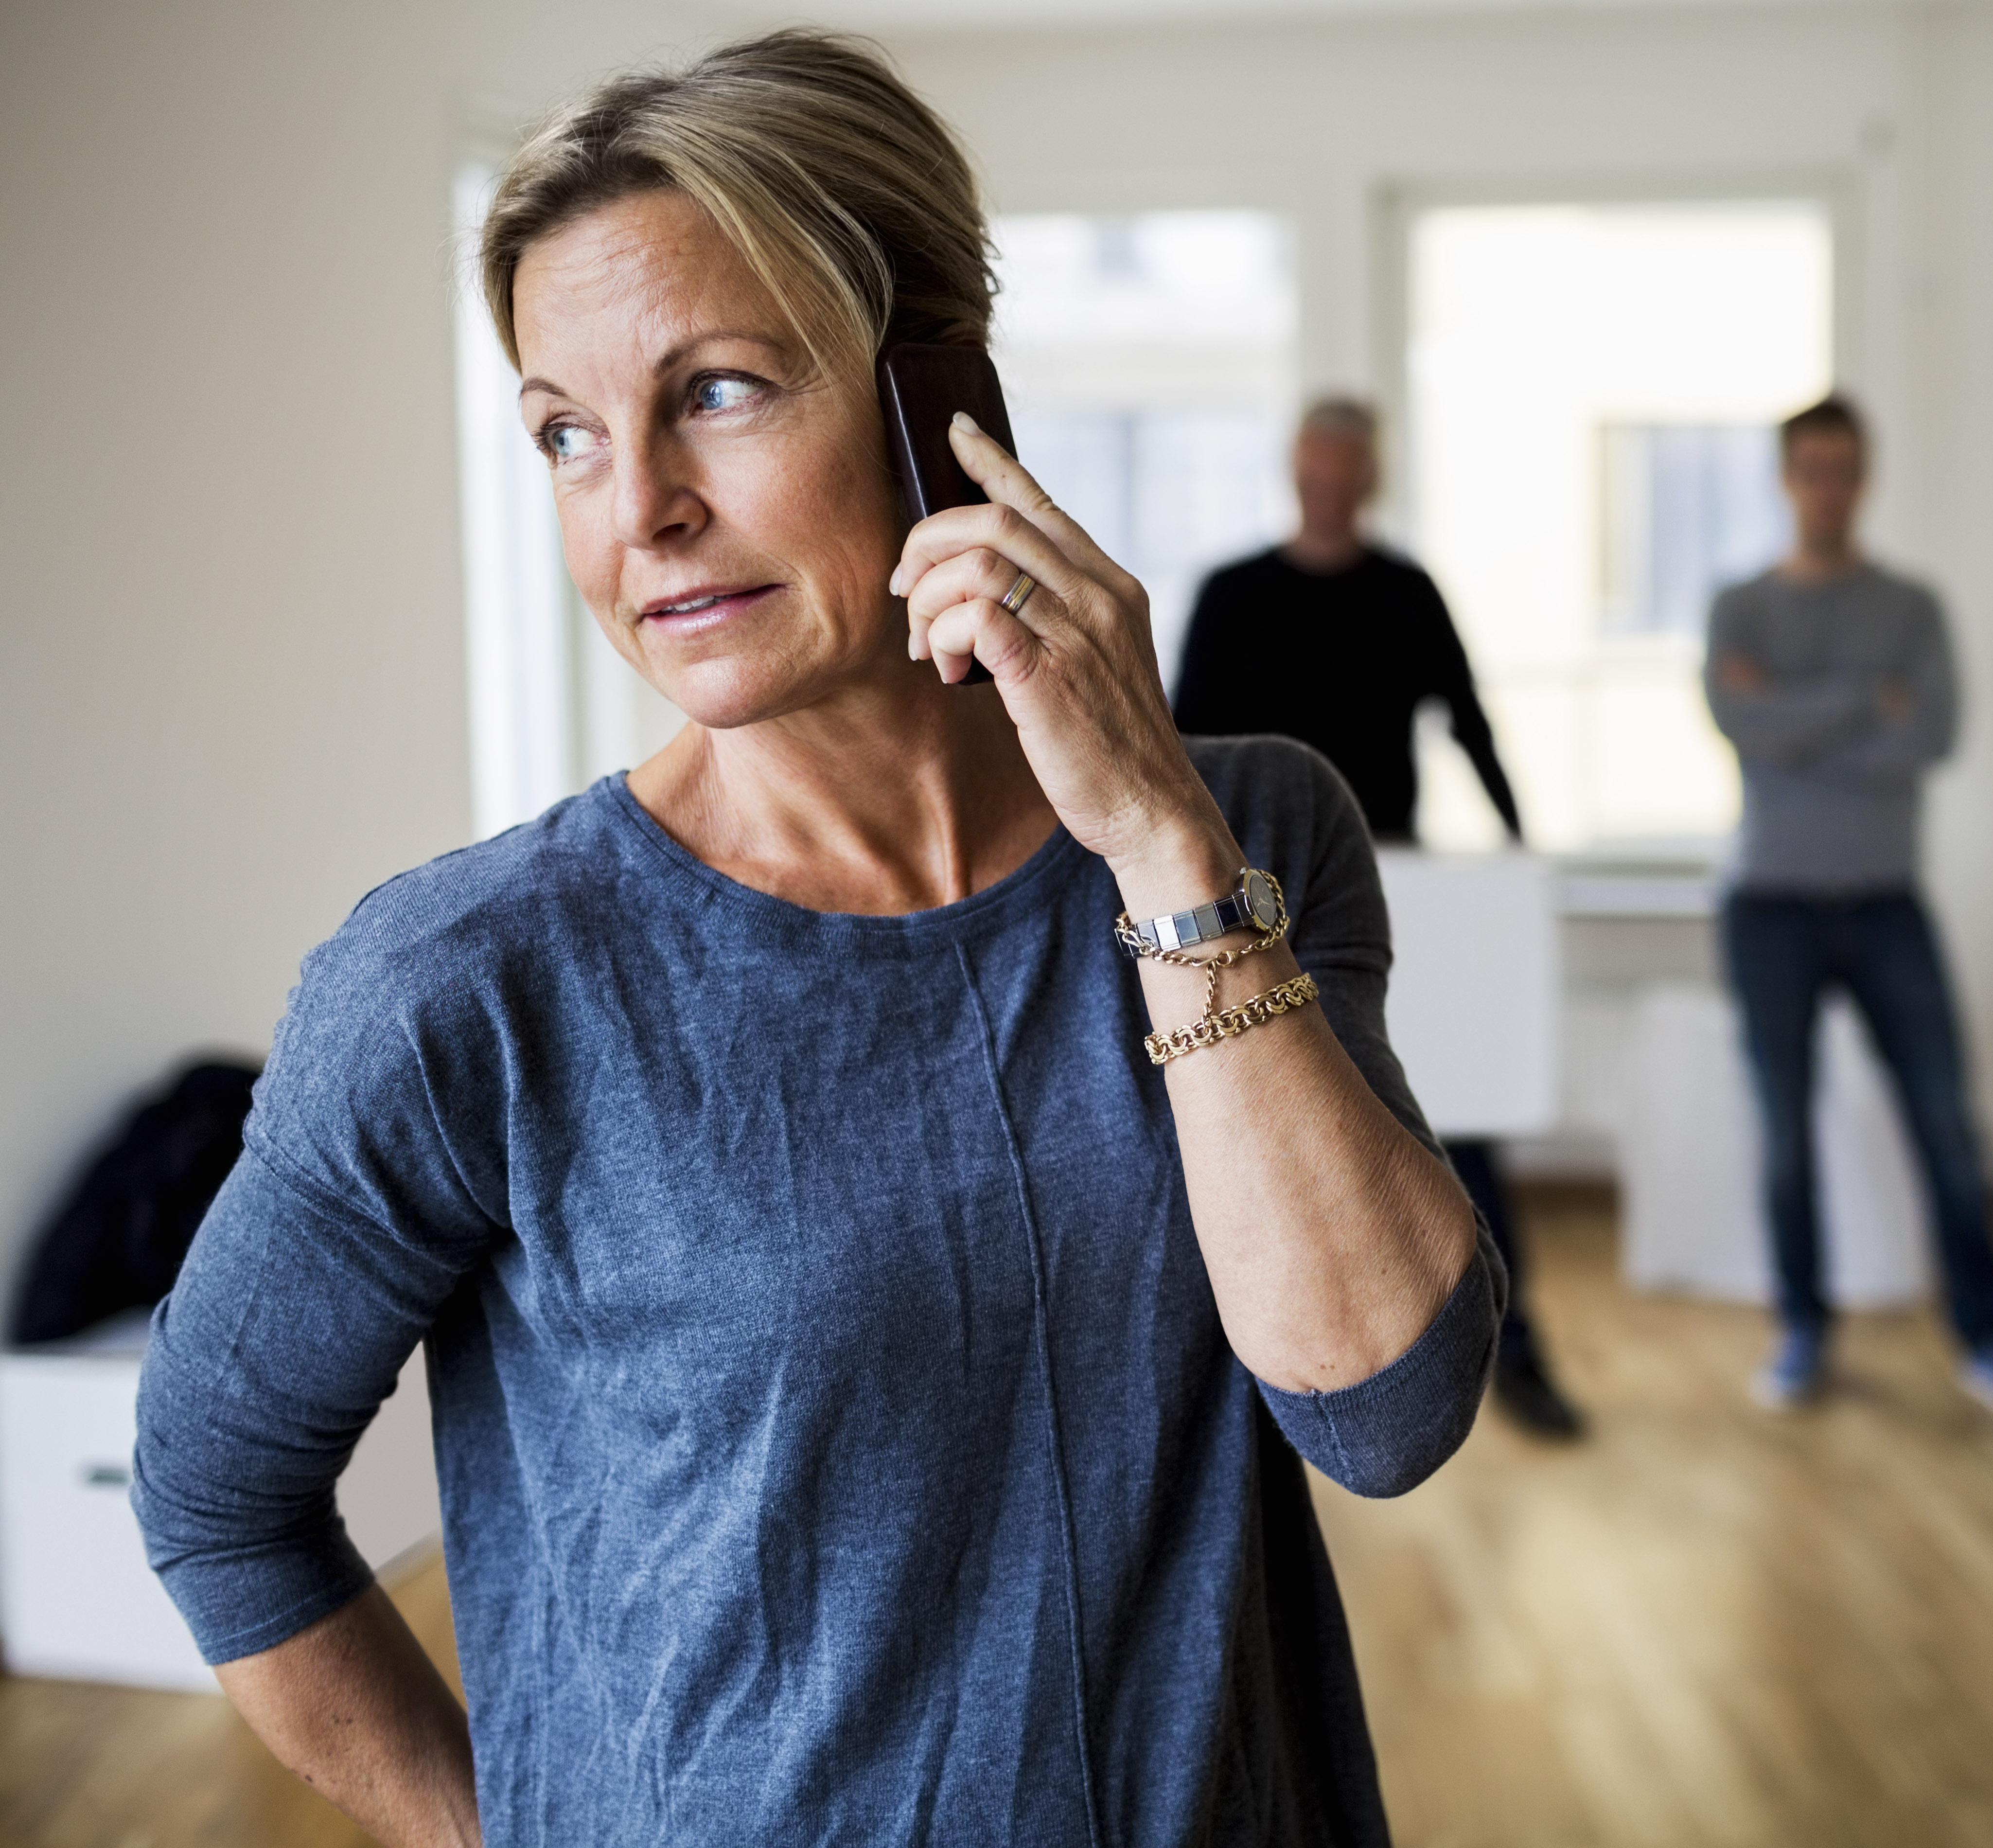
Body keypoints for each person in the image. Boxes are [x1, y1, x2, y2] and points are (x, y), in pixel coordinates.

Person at [128, 33, 1499, 1846]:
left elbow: (1386, 1413)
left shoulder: (1250, 832)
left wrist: (1159, 840)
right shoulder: (468, 983)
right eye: (566, 433)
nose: (639, 514)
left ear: (942, 399)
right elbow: (217, 1494)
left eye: (718, 391)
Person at [1172, 399, 1584, 1439]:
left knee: (1464, 1117)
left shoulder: (1407, 593)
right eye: (1311, 468)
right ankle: (1248, 1367)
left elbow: (1470, 719)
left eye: (1343, 470)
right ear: (1292, 470)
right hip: (1254, 897)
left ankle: (1509, 1345)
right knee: (1248, 1118)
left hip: (1388, 891)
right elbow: (1176, 745)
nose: (1326, 487)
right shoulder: (1234, 594)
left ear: (1370, 479)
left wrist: (1519, 849)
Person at [1705, 395, 1993, 1423]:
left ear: (1869, 476)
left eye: (1845, 466)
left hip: (1890, 900)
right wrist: (1868, 698)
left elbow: (1932, 736)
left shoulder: (1913, 607)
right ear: (1785, 478)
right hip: (1768, 904)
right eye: (1811, 466)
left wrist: (1800, 709)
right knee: (1784, 1134)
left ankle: (1990, 1338)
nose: (1829, 486)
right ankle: (1802, 1330)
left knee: (1947, 1124)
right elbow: (1743, 727)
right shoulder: (1740, 607)